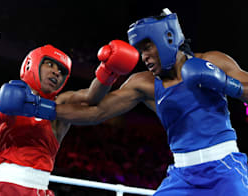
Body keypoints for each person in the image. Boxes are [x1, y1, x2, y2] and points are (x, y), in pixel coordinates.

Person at [53, 9, 248, 195]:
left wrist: (226, 84)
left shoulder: (212, 61)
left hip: (225, 168)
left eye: (147, 48)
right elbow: (95, 112)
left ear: (168, 39)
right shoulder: (144, 83)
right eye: (140, 51)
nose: (143, 57)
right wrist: (42, 108)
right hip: (183, 176)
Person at [0, 41, 139, 196]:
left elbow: (91, 97)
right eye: (50, 65)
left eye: (61, 71)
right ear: (32, 65)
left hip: (38, 190)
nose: (56, 73)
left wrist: (107, 70)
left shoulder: (61, 104)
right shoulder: (4, 103)